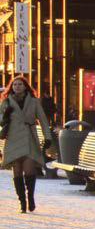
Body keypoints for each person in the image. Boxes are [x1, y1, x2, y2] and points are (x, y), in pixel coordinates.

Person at [0, 76, 53, 213]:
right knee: (17, 172)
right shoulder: (6, 102)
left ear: (25, 86)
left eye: (20, 84)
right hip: (13, 139)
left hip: (29, 139)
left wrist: (47, 137)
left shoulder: (34, 102)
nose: (17, 86)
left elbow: (43, 120)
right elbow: (0, 120)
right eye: (15, 84)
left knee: (29, 171)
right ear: (11, 87)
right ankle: (22, 201)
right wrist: (5, 116)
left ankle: (30, 197)